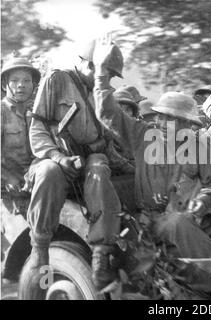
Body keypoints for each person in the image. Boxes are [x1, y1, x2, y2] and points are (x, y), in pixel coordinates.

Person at [93, 38, 211, 258]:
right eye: (161, 117)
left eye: (171, 119)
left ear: (186, 124)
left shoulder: (197, 145)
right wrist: (101, 74)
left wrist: (202, 201)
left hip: (192, 215)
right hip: (155, 222)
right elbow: (108, 113)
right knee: (176, 223)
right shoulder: (143, 136)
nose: (162, 124)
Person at [21, 39, 125, 297]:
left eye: (111, 75)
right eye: (105, 72)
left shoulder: (98, 92)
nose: (108, 79)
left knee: (100, 166)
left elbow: (106, 144)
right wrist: (57, 157)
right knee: (48, 172)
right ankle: (40, 247)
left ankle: (101, 254)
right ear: (88, 64)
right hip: (55, 158)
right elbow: (37, 129)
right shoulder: (57, 80)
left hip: (88, 161)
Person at [1, 57, 41, 196]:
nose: (21, 85)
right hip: (9, 185)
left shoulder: (38, 112)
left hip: (36, 178)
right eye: (14, 80)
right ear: (4, 85)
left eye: (26, 80)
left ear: (33, 85)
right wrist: (7, 177)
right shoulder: (2, 111)